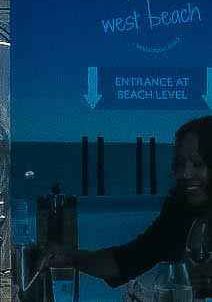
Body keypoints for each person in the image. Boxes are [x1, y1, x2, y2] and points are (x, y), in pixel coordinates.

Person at [51, 119, 212, 292]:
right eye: (180, 163)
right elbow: (127, 260)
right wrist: (66, 257)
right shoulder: (179, 212)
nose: (185, 173)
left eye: (197, 163)